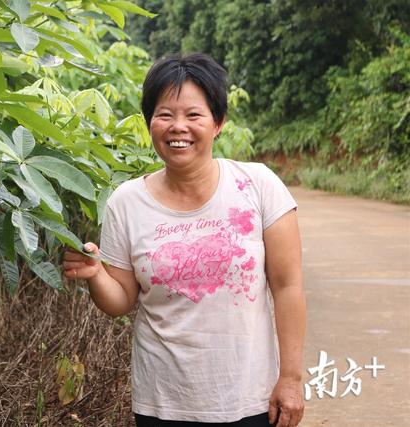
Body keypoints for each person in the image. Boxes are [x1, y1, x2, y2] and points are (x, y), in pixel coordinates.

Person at [62, 53, 305, 427]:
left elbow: (288, 287)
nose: (178, 127)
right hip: (163, 403)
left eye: (194, 115)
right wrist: (96, 275)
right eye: (164, 115)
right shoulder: (126, 202)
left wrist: (290, 378)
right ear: (149, 123)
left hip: (249, 399)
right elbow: (122, 301)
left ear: (218, 122)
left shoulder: (258, 186)